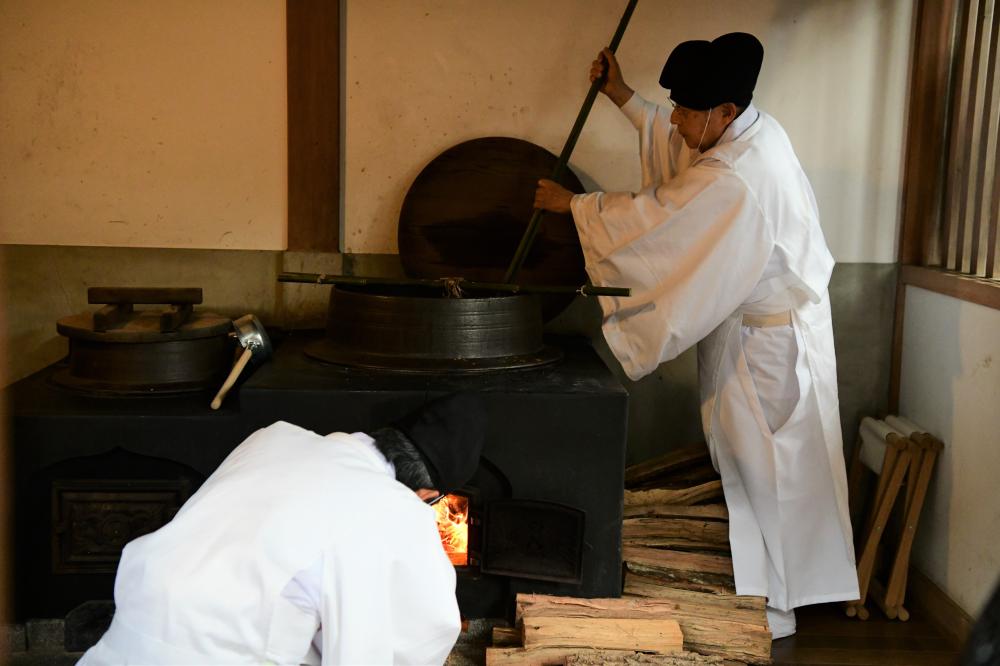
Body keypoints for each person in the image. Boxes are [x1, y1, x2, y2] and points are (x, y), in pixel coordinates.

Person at [534, 33, 859, 639]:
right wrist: (620, 95)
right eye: (678, 107)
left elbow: (661, 220)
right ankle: (770, 591)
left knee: (769, 472)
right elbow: (675, 140)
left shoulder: (738, 176)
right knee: (752, 465)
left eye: (688, 110)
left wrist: (576, 207)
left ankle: (776, 607)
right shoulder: (750, 130)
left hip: (770, 352)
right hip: (759, 336)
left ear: (724, 112)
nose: (677, 121)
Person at [78, 392, 486, 665]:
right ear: (427, 492)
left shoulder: (272, 438)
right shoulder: (393, 508)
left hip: (121, 641)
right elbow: (420, 635)